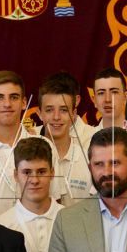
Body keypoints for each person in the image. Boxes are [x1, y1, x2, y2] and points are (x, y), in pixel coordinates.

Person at [0, 71, 44, 216]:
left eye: (14, 97)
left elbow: (54, 199)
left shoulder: (44, 146)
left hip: (34, 236)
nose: (7, 104)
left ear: (24, 102)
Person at [39, 72, 94, 201]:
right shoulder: (26, 157)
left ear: (74, 114)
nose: (56, 117)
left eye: (63, 110)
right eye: (49, 110)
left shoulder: (88, 159)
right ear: (39, 114)